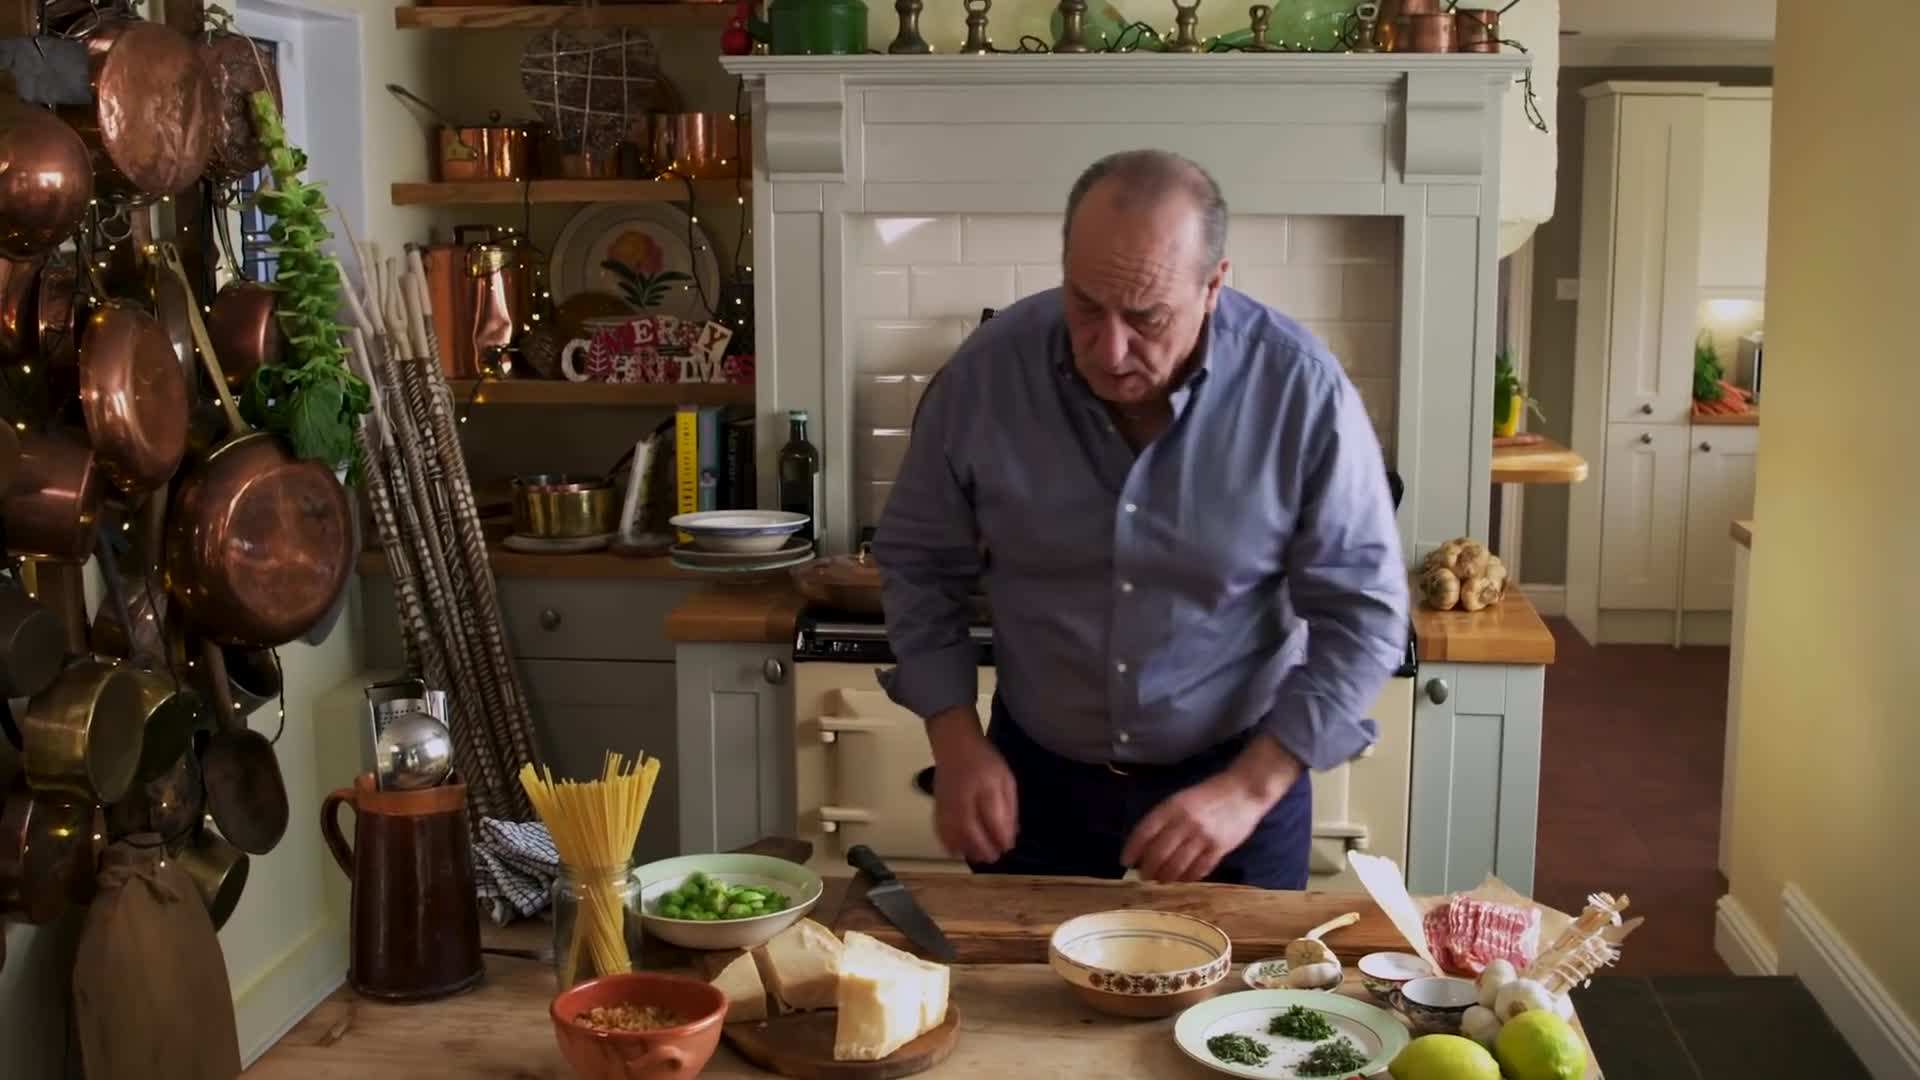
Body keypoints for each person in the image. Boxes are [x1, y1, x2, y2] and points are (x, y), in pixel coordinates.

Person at [871, 149, 1408, 889]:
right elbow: (918, 563)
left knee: (1240, 1006)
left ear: (1214, 285)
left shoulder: (1301, 391)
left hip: (1233, 783)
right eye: (1086, 306)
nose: (1110, 348)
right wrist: (955, 736)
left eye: (1147, 317)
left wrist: (1251, 789)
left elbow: (1365, 613)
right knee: (1018, 1002)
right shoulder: (987, 376)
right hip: (1037, 782)